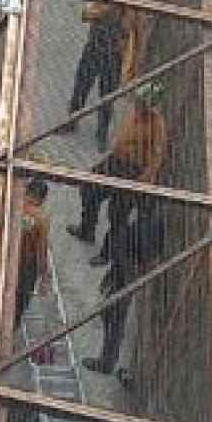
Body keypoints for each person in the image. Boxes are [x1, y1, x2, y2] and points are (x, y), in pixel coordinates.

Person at [66, 84, 166, 267]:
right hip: (115, 162)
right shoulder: (135, 114)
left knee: (118, 214)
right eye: (138, 101)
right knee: (89, 187)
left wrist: (144, 180)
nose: (137, 105)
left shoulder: (156, 125)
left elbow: (157, 157)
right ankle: (87, 228)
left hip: (133, 171)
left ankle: (107, 253)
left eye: (141, 103)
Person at [82, 208, 164, 375]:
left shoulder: (140, 228)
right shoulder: (154, 223)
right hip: (130, 271)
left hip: (127, 274)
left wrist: (116, 274)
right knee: (110, 314)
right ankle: (107, 358)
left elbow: (129, 254)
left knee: (115, 319)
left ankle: (107, 362)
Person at [63, 0, 133, 149]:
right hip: (93, 51)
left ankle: (102, 133)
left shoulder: (129, 14)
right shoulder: (102, 3)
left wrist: (126, 67)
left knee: (107, 97)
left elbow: (131, 42)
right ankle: (72, 121)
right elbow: (85, 14)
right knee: (81, 87)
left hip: (113, 59)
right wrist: (104, 7)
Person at [14, 178, 50, 329]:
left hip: (10, 256)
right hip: (26, 264)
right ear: (42, 199)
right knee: (21, 298)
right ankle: (13, 326)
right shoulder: (41, 219)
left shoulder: (15, 206)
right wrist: (44, 277)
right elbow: (41, 250)